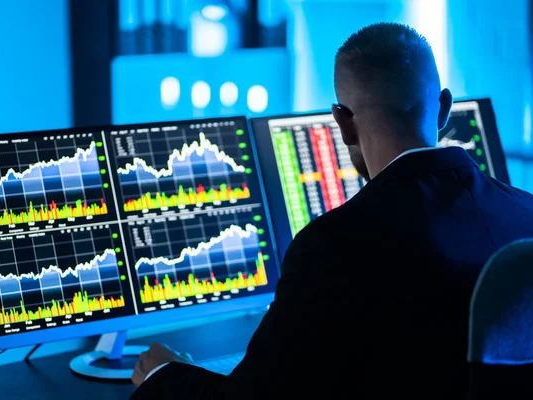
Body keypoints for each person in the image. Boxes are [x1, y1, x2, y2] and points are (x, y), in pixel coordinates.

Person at [129, 22, 533, 399]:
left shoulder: (332, 246)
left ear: (343, 123)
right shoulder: (526, 217)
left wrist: (164, 375)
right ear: (444, 108)